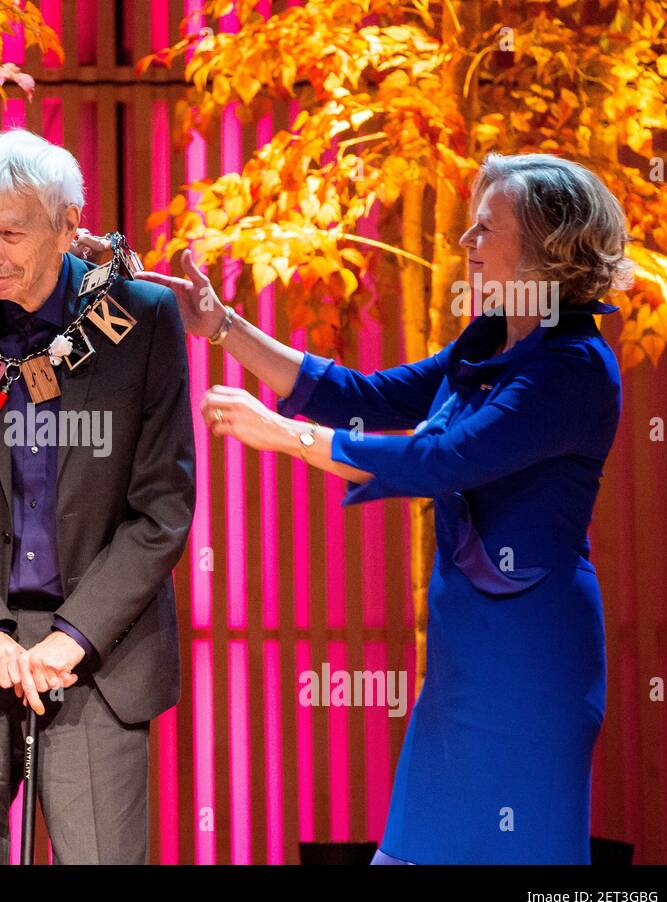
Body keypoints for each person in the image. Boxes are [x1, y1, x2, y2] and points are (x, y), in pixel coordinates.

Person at [138, 152, 632, 864]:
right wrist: (224, 327)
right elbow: (367, 398)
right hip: (464, 668)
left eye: (484, 229)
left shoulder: (574, 368)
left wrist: (287, 438)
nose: (466, 246)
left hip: (532, 669)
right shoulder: (489, 339)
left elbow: (444, 459)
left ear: (544, 252)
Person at [0, 129, 196, 864]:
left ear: (68, 224)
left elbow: (162, 510)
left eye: (12, 233)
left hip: (98, 647)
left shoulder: (145, 319)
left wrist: (73, 636)